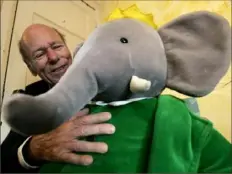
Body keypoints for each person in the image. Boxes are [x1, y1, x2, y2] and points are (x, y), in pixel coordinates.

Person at [1, 24, 116, 173]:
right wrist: (34, 149)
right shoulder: (29, 98)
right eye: (39, 54)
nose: (53, 57)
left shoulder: (106, 76)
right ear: (31, 68)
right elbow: (4, 162)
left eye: (56, 46)